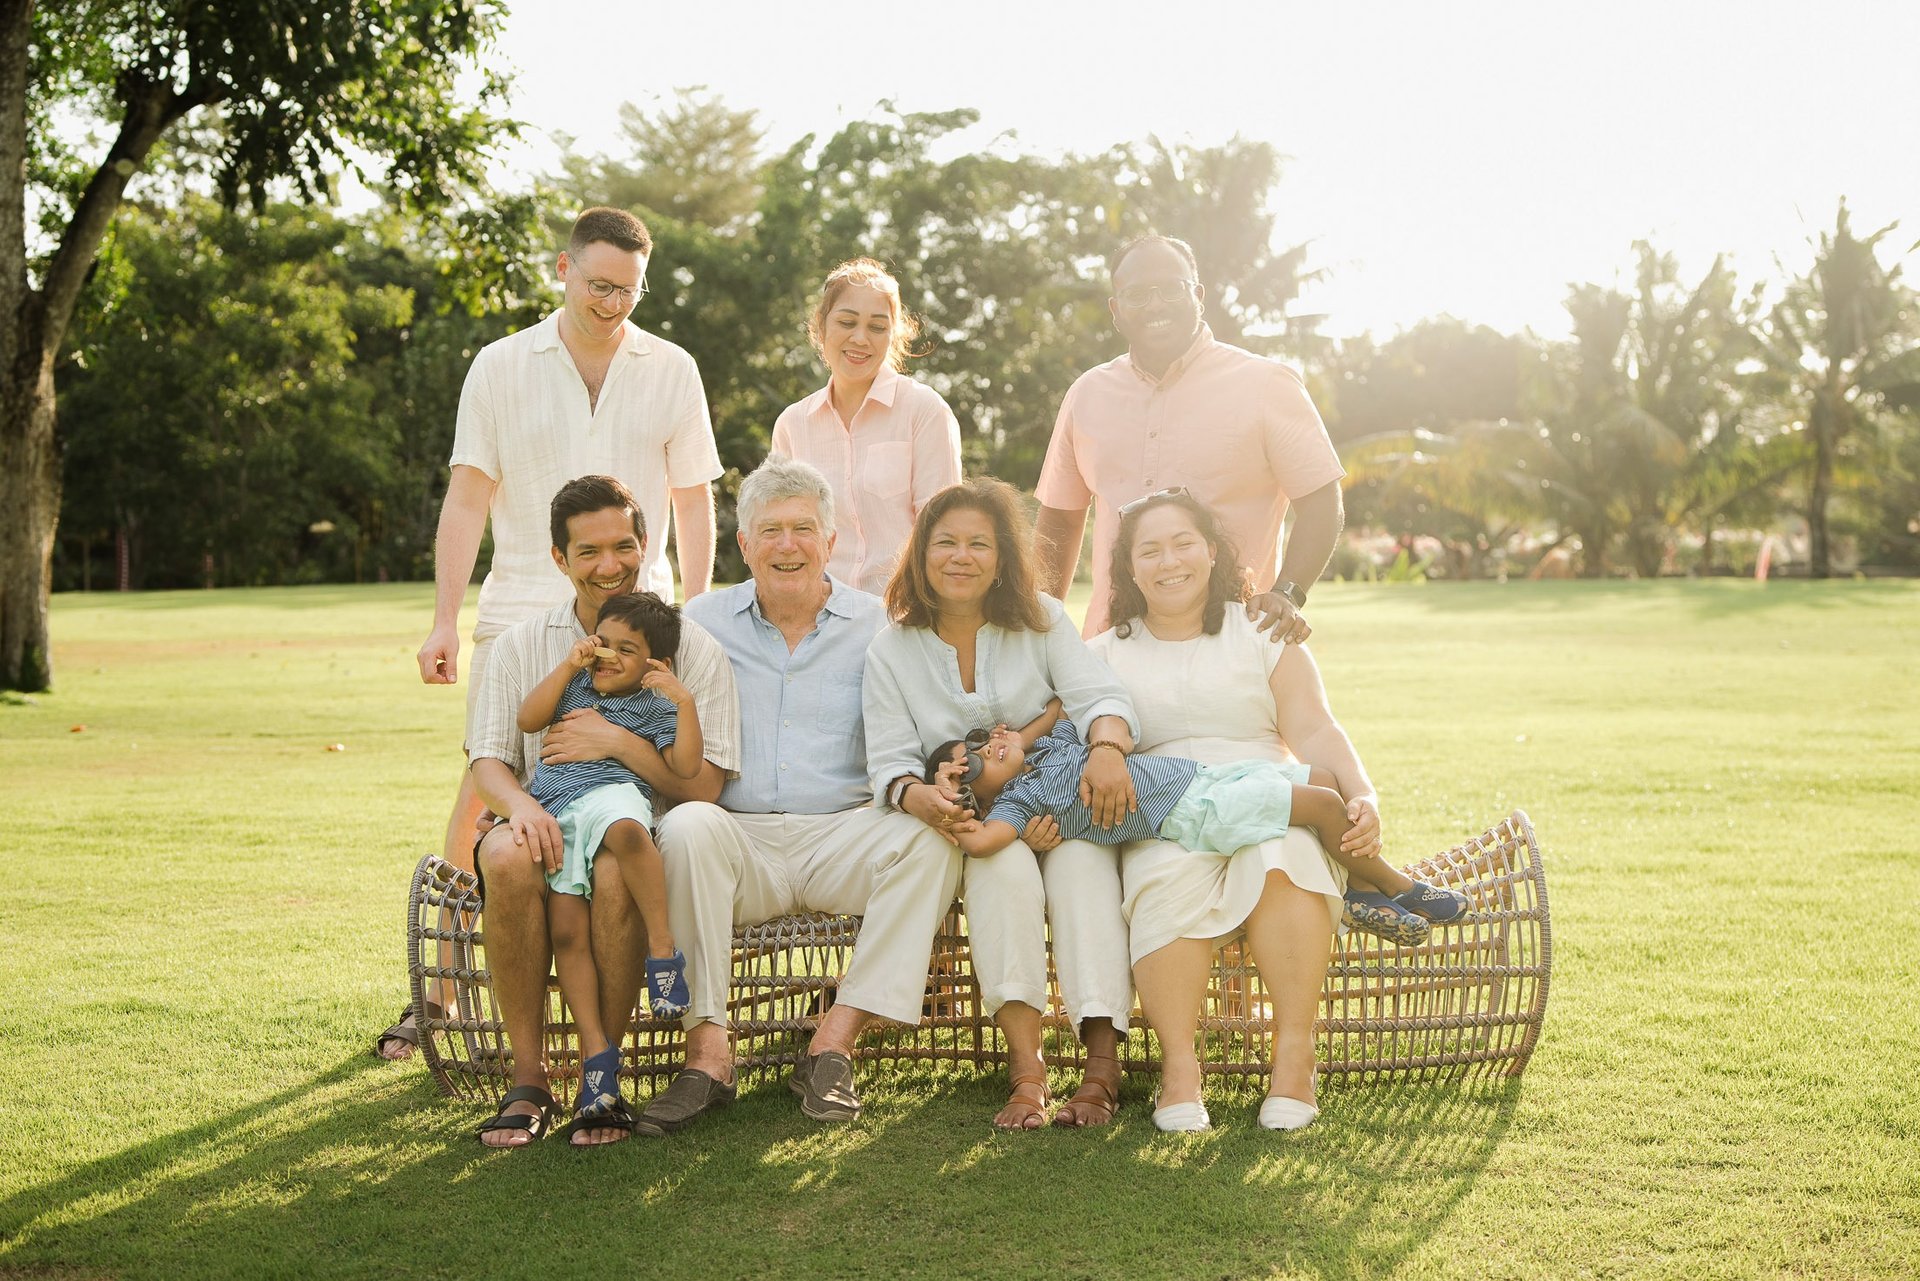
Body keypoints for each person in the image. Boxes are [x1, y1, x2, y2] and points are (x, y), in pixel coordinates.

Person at [382, 206, 723, 1062]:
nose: (614, 304)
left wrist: (700, 604)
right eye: (600, 284)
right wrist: (444, 618)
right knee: (486, 792)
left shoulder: (672, 367)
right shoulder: (500, 365)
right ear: (563, 270)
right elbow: (466, 498)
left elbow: (693, 500)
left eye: (630, 291)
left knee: (635, 795)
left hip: (637, 613)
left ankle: (630, 992)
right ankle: (440, 994)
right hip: (518, 613)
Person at [641, 458, 962, 1136]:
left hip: (844, 832)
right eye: (771, 530)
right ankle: (708, 1053)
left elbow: (917, 733)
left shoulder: (880, 627)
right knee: (690, 825)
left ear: (831, 542)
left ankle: (832, 1043)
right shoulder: (697, 623)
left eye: (804, 529)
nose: (788, 545)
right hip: (738, 838)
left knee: (930, 840)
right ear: (745, 544)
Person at [1086, 489, 1391, 1133]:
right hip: (1168, 806)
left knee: (1286, 855)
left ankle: (1293, 1056)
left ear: (1212, 551)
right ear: (1128, 569)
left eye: (1183, 543)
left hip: (1269, 792)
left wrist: (1363, 792)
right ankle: (1179, 1067)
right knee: (1159, 875)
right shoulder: (1105, 654)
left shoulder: (1261, 630)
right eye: (1149, 550)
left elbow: (1316, 729)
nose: (1169, 561)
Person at [468, 476, 740, 1148]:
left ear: (646, 546)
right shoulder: (522, 646)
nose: (610, 563)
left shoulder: (688, 647)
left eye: (623, 545)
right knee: (504, 853)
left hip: (631, 822)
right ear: (559, 558)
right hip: (548, 809)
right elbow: (489, 756)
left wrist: (617, 742)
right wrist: (518, 807)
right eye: (588, 551)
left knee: (617, 869)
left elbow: (703, 784)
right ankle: (529, 1078)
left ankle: (602, 1081)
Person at [864, 478, 1139, 1131]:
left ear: (1001, 556)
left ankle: (1101, 1072)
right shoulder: (892, 648)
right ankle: (1028, 1073)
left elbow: (1103, 697)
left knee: (1083, 872)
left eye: (979, 543)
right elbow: (890, 762)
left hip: (1063, 805)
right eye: (946, 542)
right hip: (982, 820)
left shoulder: (1042, 617)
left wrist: (1106, 748)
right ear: (921, 553)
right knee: (999, 873)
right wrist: (924, 798)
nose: (962, 556)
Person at [925, 703, 1466, 949]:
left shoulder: (1047, 747)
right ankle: (1403, 887)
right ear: (976, 795)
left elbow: (1060, 705)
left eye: (974, 740)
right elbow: (987, 838)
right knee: (1324, 804)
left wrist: (1005, 737)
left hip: (1204, 777)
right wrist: (951, 810)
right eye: (971, 763)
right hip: (1193, 813)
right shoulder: (1018, 802)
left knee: (1323, 775)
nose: (980, 750)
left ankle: (1362, 892)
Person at [1033, 233, 1347, 640]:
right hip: (1112, 646)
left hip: (1232, 643)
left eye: (1171, 289)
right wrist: (1042, 633)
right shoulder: (1087, 394)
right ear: (1116, 309)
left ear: (1198, 294)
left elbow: (1322, 502)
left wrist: (1286, 593)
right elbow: (1059, 520)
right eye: (1138, 294)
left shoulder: (1267, 384)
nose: (1156, 304)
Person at [515, 590, 702, 1126]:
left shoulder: (653, 704)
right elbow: (529, 719)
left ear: (653, 665)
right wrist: (566, 664)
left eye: (627, 648)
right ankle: (597, 1054)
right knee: (567, 933)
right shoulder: (574, 684)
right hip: (557, 812)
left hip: (613, 796)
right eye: (603, 643)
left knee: (626, 828)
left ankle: (663, 953)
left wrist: (682, 701)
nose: (608, 656)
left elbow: (687, 768)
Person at [769, 257, 962, 594]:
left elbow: (944, 531)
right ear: (821, 327)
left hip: (903, 616)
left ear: (894, 334)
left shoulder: (925, 411)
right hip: (818, 620)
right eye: (846, 322)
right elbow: (781, 532)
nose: (861, 338)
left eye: (877, 327)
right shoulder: (792, 424)